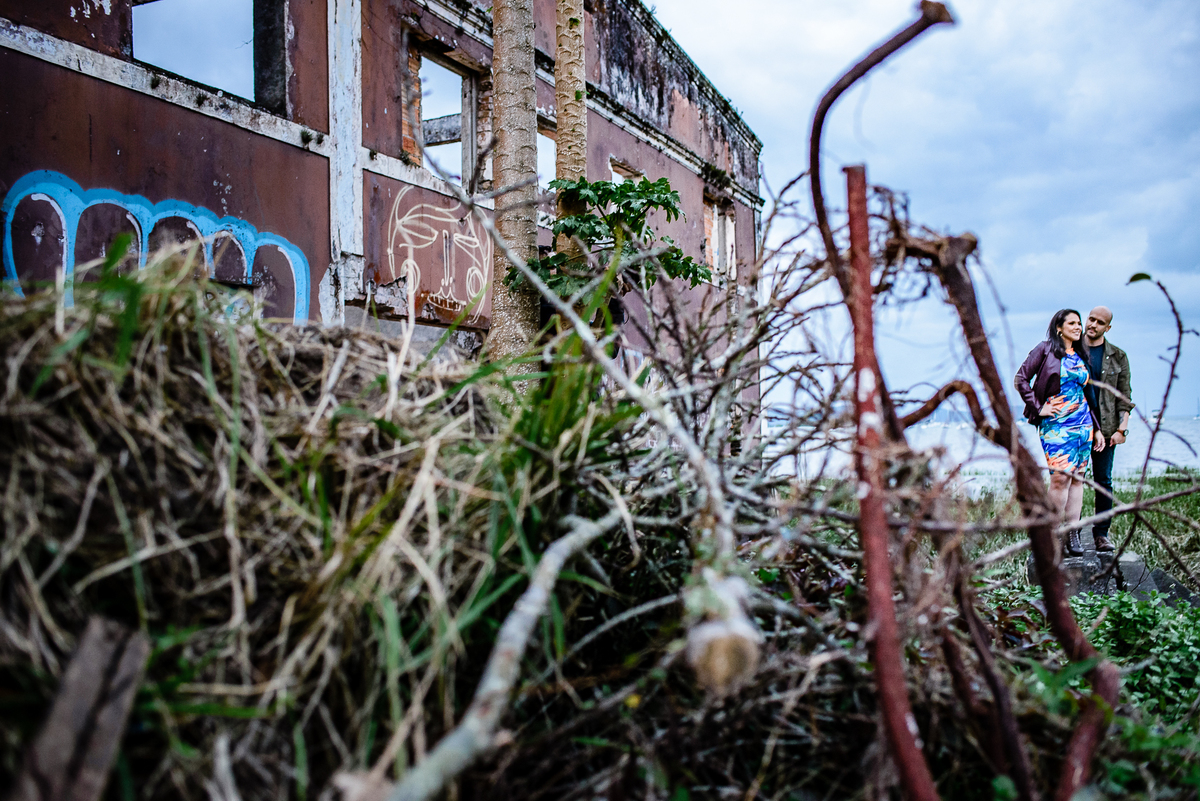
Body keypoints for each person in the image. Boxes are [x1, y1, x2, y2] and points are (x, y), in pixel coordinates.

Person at [1014, 309, 1105, 556]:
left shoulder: (1081, 354)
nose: (1078, 327)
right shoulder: (1045, 350)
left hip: (1084, 424)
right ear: (1059, 327)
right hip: (1056, 425)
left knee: (1078, 479)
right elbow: (1021, 379)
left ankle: (1072, 533)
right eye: (1072, 323)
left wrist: (1097, 429)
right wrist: (1038, 406)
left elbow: (1090, 396)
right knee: (1060, 478)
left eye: (1079, 323)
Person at [1083, 306, 1134, 552]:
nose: (1093, 324)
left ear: (1107, 327)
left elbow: (1124, 396)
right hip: (1077, 429)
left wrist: (1121, 429)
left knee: (1103, 480)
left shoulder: (1118, 356)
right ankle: (1067, 532)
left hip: (1107, 429)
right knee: (1071, 482)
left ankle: (1101, 534)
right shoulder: (1069, 350)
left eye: (1099, 322)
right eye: (1091, 319)